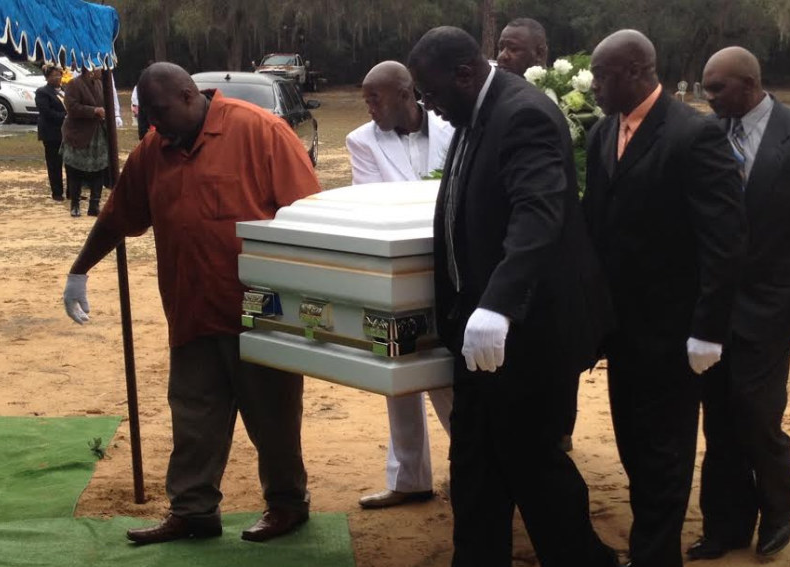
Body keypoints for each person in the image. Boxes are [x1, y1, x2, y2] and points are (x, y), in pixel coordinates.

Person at [61, 62, 318, 545]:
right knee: (193, 417)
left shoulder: (260, 131)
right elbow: (117, 218)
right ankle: (194, 511)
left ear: (187, 95)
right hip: (191, 309)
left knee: (274, 418)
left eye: (158, 113)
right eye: (147, 116)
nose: (153, 125)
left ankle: (287, 504)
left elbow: (309, 217)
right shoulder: (154, 151)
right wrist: (79, 269)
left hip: (262, 315)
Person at [407, 27, 618, 567]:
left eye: (430, 94)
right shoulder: (476, 111)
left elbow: (538, 212)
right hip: (478, 326)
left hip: (527, 326)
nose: (427, 107)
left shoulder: (523, 114)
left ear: (464, 74)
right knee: (475, 456)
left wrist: (499, 302)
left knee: (529, 457)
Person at [583, 30, 746, 567]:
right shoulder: (604, 133)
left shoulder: (693, 135)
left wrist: (708, 328)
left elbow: (724, 241)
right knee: (634, 447)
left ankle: (655, 557)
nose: (594, 86)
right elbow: (598, 226)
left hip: (676, 333)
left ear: (635, 71)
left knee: (666, 455)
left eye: (602, 76)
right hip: (622, 331)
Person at [689, 46, 790, 560]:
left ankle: (778, 509)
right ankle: (725, 527)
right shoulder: (707, 135)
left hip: (776, 303)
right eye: (705, 87)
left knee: (757, 412)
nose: (708, 96)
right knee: (717, 418)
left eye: (716, 88)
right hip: (715, 305)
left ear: (749, 82)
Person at [345, 60, 456, 509]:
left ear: (406, 93)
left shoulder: (452, 127)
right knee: (399, 370)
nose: (369, 107)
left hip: (453, 266)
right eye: (366, 98)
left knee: (448, 375)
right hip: (395, 270)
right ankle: (409, 478)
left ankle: (482, 466)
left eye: (376, 97)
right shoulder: (361, 140)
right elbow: (375, 205)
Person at [495, 16, 578, 453]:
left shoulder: (557, 103)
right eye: (501, 47)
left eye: (515, 49)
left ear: (541, 55)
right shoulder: (493, 102)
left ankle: (556, 431)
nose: (505, 56)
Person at [62, 66, 109, 217]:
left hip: (98, 134)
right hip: (78, 134)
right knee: (75, 170)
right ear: (90, 69)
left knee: (99, 170)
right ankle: (75, 204)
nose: (101, 70)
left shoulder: (100, 84)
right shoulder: (74, 84)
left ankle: (94, 205)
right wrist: (93, 111)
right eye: (98, 67)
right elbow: (71, 107)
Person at [35, 65, 66, 201]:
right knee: (54, 163)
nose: (57, 77)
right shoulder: (43, 92)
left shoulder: (65, 91)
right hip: (51, 133)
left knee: (71, 163)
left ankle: (73, 191)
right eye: (54, 75)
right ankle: (57, 192)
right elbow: (46, 112)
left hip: (67, 132)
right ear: (47, 77)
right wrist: (64, 116)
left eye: (59, 74)